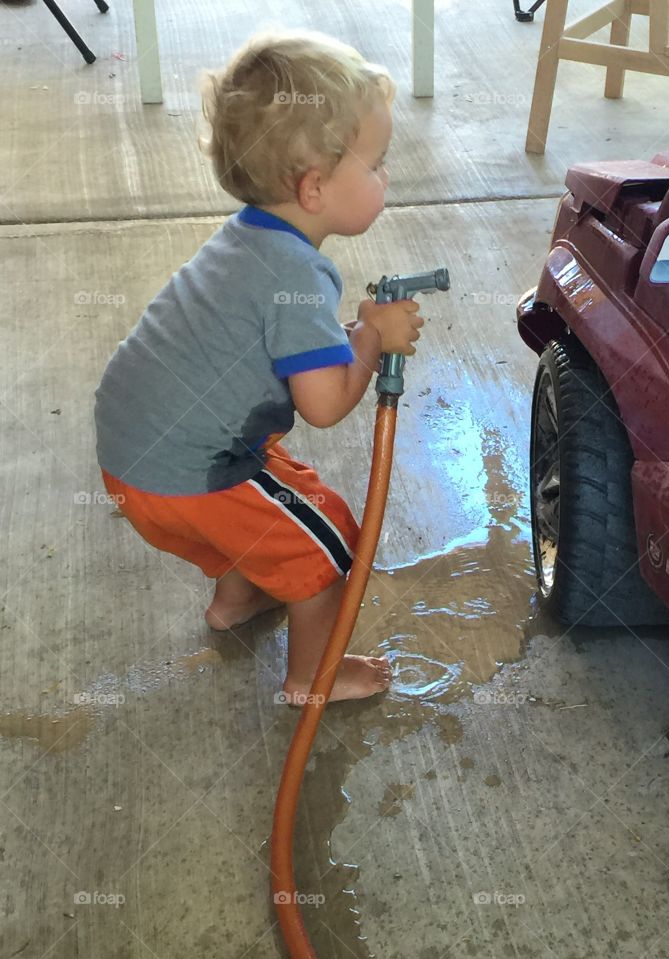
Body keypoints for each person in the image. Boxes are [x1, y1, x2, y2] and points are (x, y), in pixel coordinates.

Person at [95, 30, 423, 704]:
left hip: (133, 448)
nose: (387, 175)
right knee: (329, 547)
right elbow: (325, 405)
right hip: (185, 475)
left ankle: (235, 602)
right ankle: (311, 680)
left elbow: (268, 341)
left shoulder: (248, 238)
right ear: (313, 187)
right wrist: (370, 337)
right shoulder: (299, 274)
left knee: (277, 482)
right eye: (378, 163)